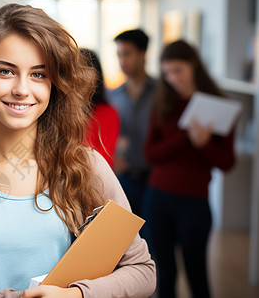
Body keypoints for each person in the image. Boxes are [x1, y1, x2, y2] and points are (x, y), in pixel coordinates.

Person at [0, 4, 155, 298]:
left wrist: (76, 295)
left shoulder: (87, 167)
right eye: (5, 71)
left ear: (53, 84)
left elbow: (142, 270)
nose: (22, 89)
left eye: (38, 74)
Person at [142, 40, 236, 298]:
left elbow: (227, 163)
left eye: (178, 71)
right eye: (167, 73)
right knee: (165, 273)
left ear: (194, 65)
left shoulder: (218, 106)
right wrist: (185, 135)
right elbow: (150, 154)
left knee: (197, 274)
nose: (172, 78)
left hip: (194, 202)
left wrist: (203, 144)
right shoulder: (162, 102)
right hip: (158, 198)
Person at [109, 29, 156, 216]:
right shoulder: (113, 96)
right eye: (119, 55)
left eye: (127, 54)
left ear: (143, 54)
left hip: (155, 179)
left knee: (155, 243)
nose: (122, 61)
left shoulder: (162, 93)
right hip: (124, 179)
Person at [81, 48, 119, 167]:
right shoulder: (58, 109)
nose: (78, 73)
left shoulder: (107, 113)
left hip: (92, 180)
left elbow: (104, 158)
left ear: (96, 75)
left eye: (85, 67)